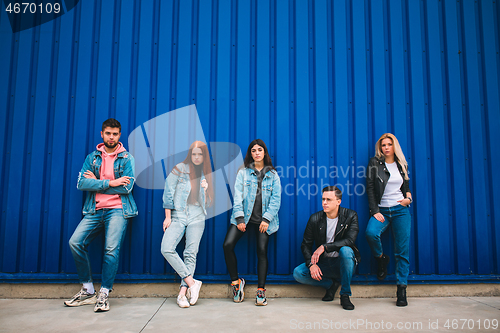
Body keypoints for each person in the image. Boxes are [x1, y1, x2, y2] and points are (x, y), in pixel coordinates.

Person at [65, 118, 137, 312]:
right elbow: (81, 184)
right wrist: (110, 183)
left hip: (118, 210)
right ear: (102, 134)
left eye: (115, 134)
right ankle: (88, 290)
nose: (111, 137)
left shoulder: (127, 158)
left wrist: (97, 183)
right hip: (94, 210)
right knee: (75, 242)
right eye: (108, 133)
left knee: (111, 250)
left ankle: (104, 293)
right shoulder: (93, 158)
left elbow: (127, 187)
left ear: (119, 135)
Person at [222, 139, 281, 306]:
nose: (257, 153)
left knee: (261, 250)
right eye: (253, 150)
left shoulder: (273, 175)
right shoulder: (243, 173)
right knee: (227, 245)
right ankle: (236, 283)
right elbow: (238, 196)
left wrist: (267, 219)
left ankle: (261, 291)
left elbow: (276, 200)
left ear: (264, 153)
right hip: (244, 217)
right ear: (250, 154)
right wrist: (239, 218)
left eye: (260, 150)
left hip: (264, 221)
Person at [161, 141, 213, 308]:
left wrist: (205, 191)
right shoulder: (179, 168)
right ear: (190, 154)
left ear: (204, 156)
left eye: (200, 154)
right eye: (194, 154)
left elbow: (208, 203)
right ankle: (192, 283)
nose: (197, 157)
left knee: (190, 253)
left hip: (197, 216)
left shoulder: (207, 174)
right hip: (179, 214)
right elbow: (168, 191)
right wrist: (167, 216)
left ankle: (182, 294)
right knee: (166, 248)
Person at [293, 186, 360, 310]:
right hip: (323, 263)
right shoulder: (315, 219)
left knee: (346, 250)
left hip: (343, 263)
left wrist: (325, 247)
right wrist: (310, 264)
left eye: (328, 199)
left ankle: (345, 295)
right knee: (298, 273)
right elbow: (306, 244)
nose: (324, 203)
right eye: (323, 199)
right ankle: (331, 284)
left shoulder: (350, 216)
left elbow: (350, 241)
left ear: (338, 202)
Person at [365, 133, 413, 306]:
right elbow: (370, 187)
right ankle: (381, 259)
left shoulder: (401, 163)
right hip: (383, 211)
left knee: (402, 252)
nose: (386, 147)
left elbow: (406, 185)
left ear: (394, 146)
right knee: (371, 233)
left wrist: (408, 198)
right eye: (383, 145)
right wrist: (374, 210)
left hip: (401, 210)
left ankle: (401, 290)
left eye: (389, 144)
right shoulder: (374, 163)